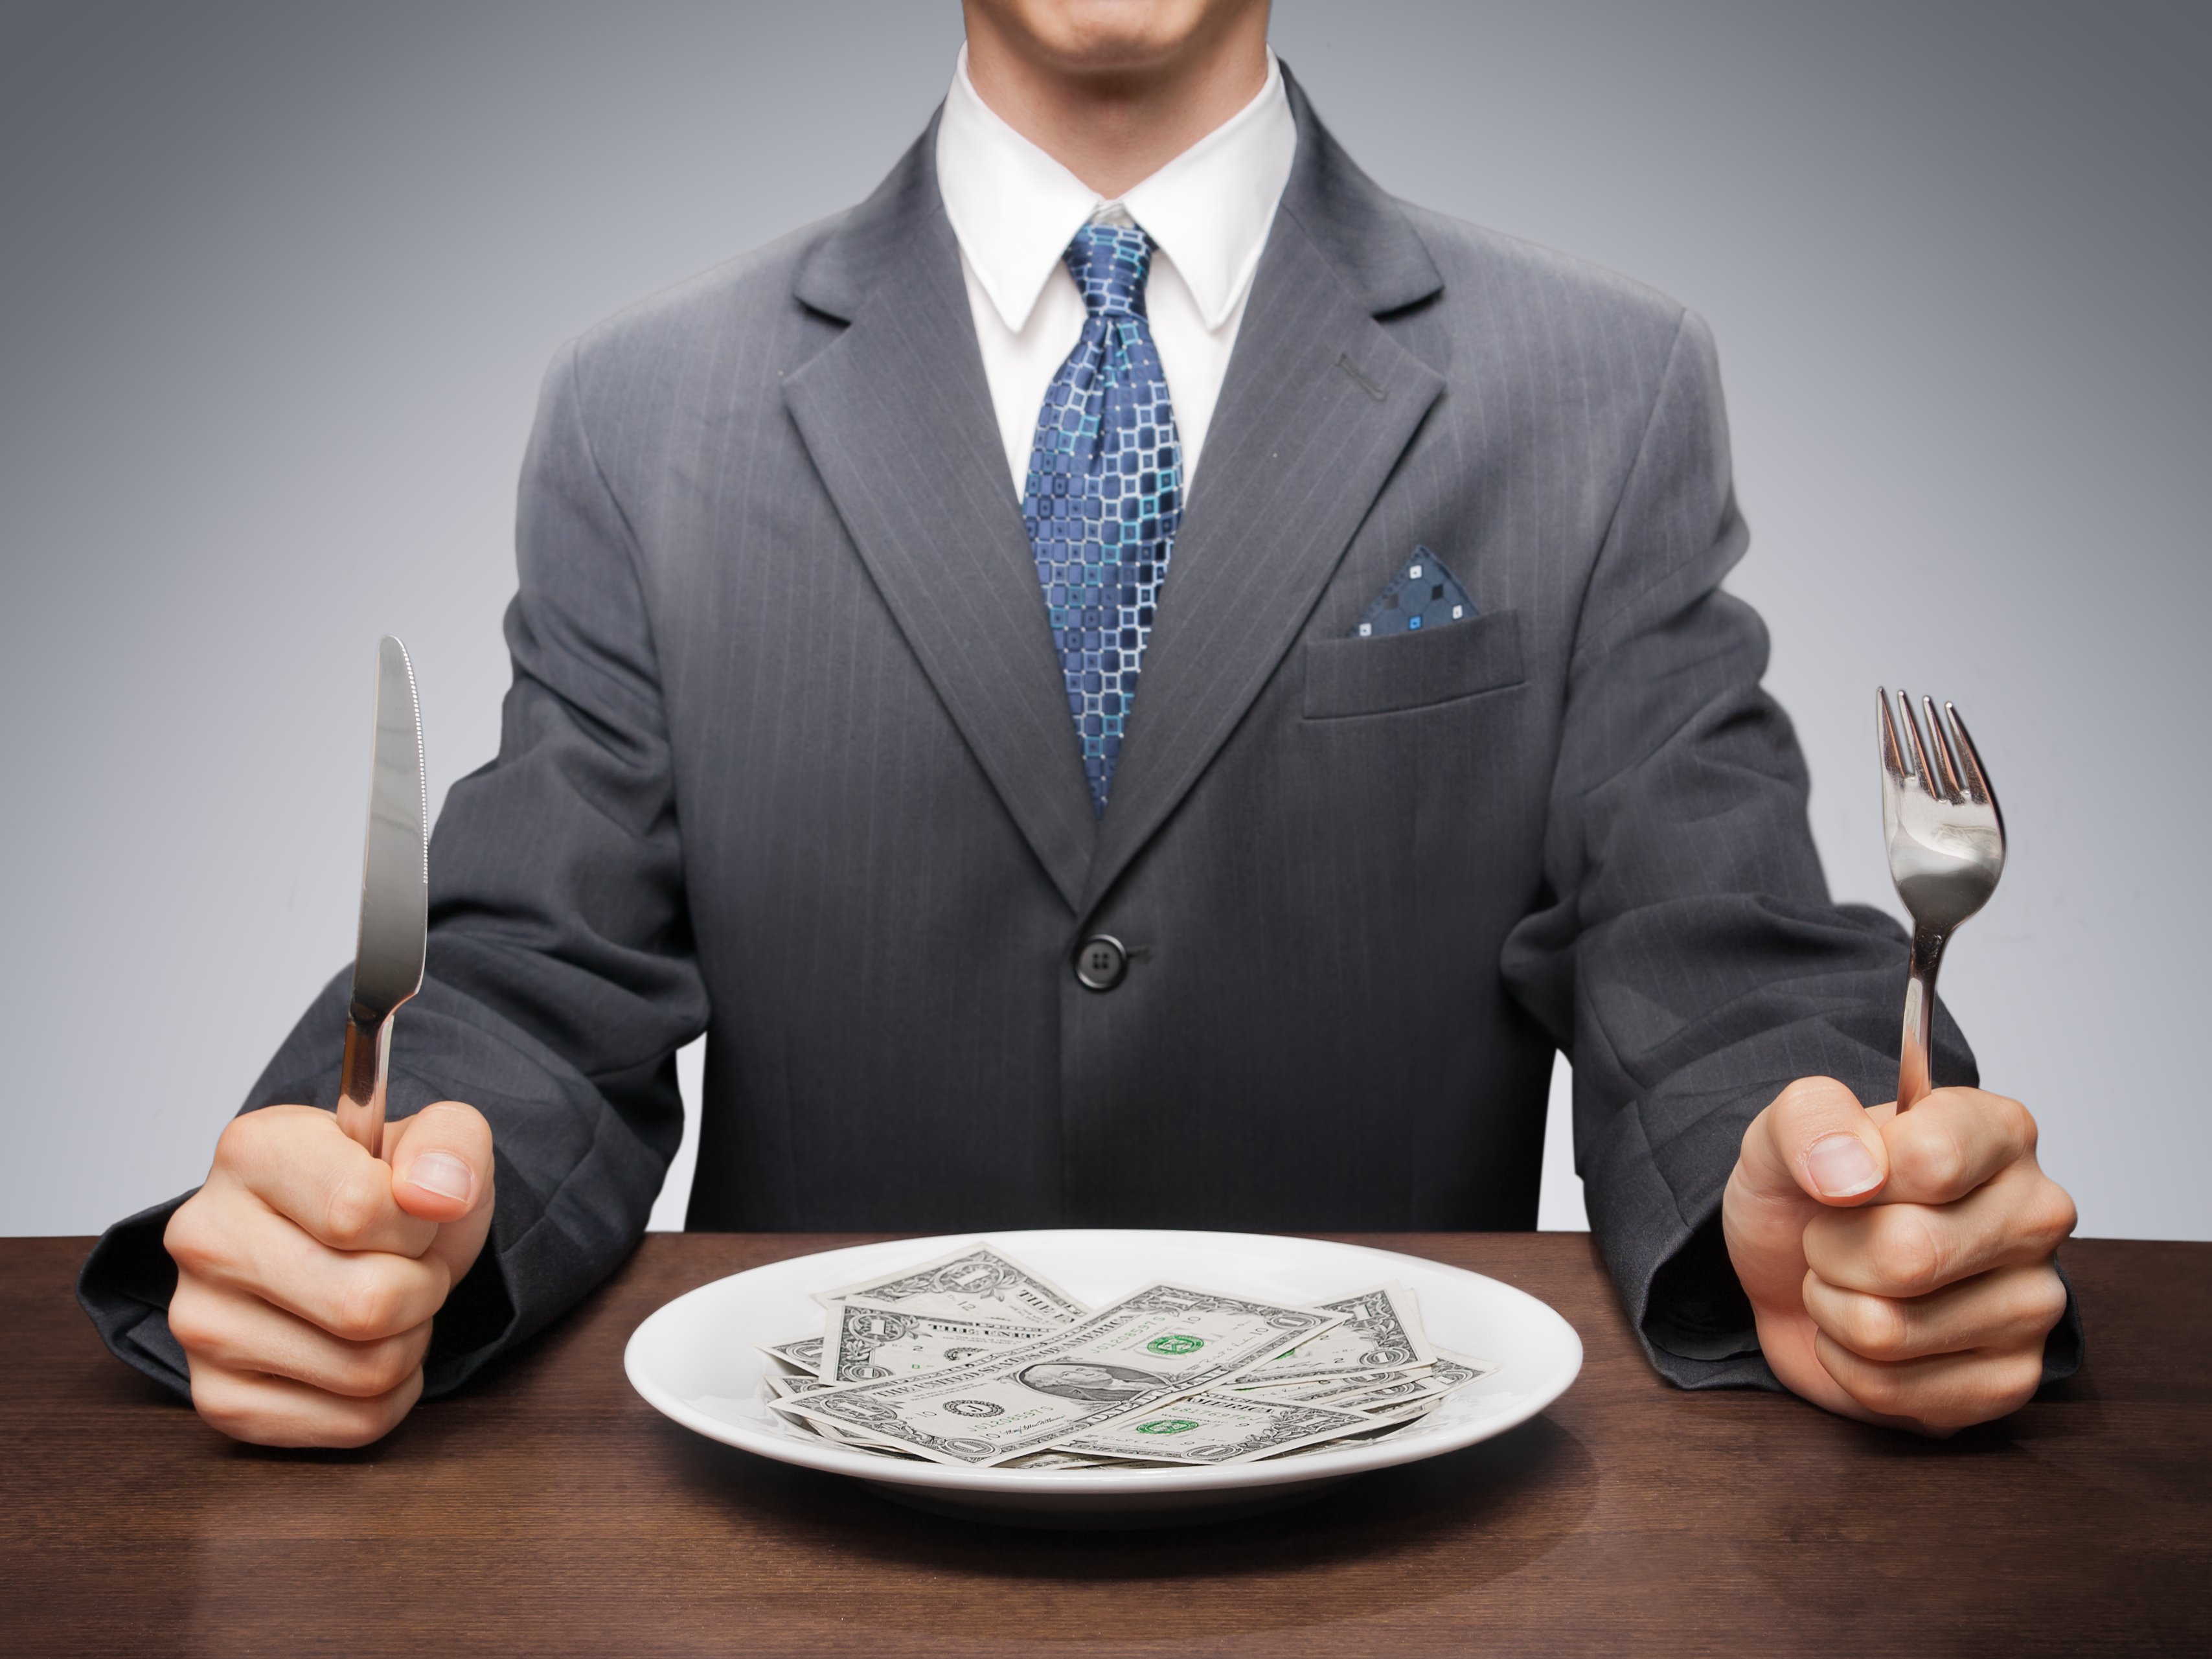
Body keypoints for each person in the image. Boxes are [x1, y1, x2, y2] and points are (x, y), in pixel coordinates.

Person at [80, 0, 2079, 1448]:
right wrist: (382, 1218)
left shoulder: (1603, 391)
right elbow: (529, 973)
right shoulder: (645, 415)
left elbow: (1714, 946)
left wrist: (1824, 1196)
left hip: (1403, 1541)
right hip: (796, 1544)